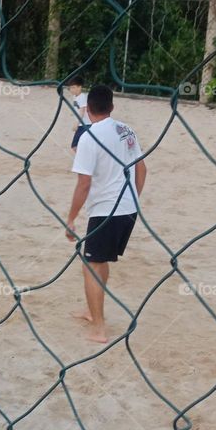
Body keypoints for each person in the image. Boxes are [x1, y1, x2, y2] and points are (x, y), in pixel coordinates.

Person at [66, 84, 146, 344]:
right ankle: (92, 311)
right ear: (112, 106)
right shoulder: (126, 130)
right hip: (128, 209)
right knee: (99, 262)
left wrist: (70, 219)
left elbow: (83, 183)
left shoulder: (88, 137)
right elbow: (142, 168)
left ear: (87, 109)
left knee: (91, 264)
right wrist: (132, 199)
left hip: (105, 212)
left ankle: (99, 327)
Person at [67, 76, 89, 152]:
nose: (71, 90)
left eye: (73, 87)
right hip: (81, 124)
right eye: (70, 88)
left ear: (80, 87)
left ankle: (83, 157)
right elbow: (77, 107)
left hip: (85, 124)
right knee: (77, 145)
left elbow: (82, 111)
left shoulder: (82, 97)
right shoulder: (75, 96)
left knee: (75, 146)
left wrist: (77, 123)